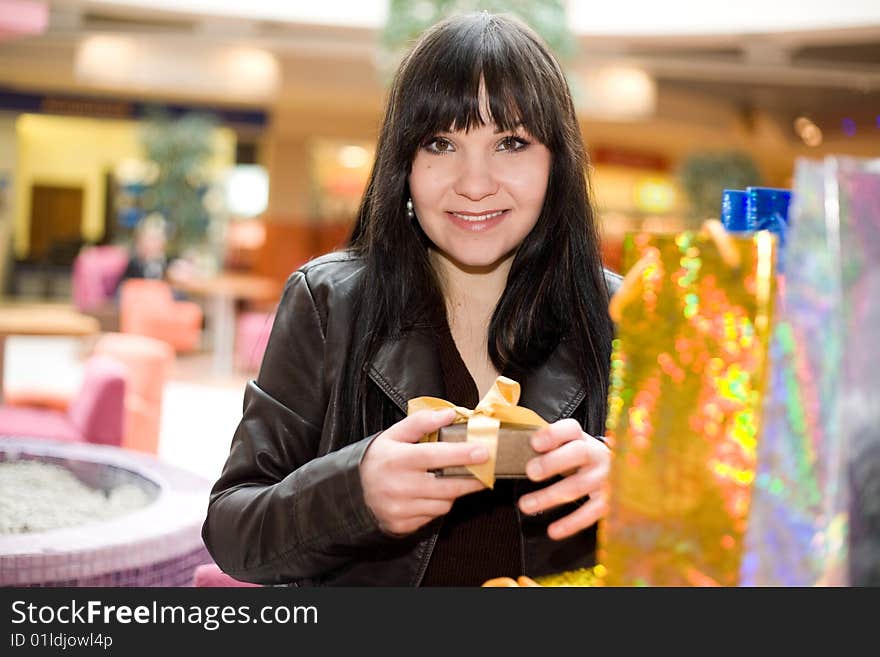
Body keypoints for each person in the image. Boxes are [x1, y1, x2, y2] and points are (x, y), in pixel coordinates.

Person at [202, 11, 620, 586]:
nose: (474, 183)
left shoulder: (622, 316)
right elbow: (232, 530)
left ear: (557, 164)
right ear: (404, 162)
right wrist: (354, 492)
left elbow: (729, 524)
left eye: (512, 142)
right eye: (441, 143)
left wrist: (638, 495)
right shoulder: (329, 302)